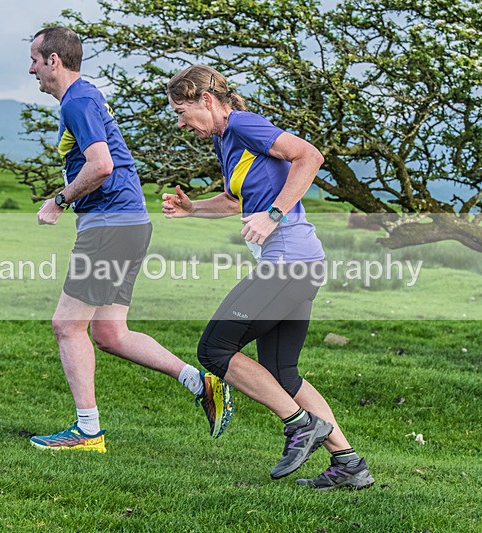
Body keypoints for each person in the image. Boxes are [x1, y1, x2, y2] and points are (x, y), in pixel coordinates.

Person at [161, 65, 374, 490]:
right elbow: (233, 199)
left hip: (289, 262)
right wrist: (193, 209)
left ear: (207, 101)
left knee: (214, 350)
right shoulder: (225, 139)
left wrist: (274, 215)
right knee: (282, 371)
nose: (181, 123)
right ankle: (349, 465)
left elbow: (309, 156)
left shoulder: (243, 125)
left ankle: (300, 425)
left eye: (182, 112)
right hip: (299, 263)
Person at [27, 27, 233, 453]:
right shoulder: (86, 97)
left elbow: (101, 165)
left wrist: (59, 201)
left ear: (54, 61)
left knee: (67, 325)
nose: (31, 69)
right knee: (109, 332)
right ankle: (201, 383)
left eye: (35, 60)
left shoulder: (78, 100)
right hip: (127, 223)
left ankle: (87, 432)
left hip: (112, 225)